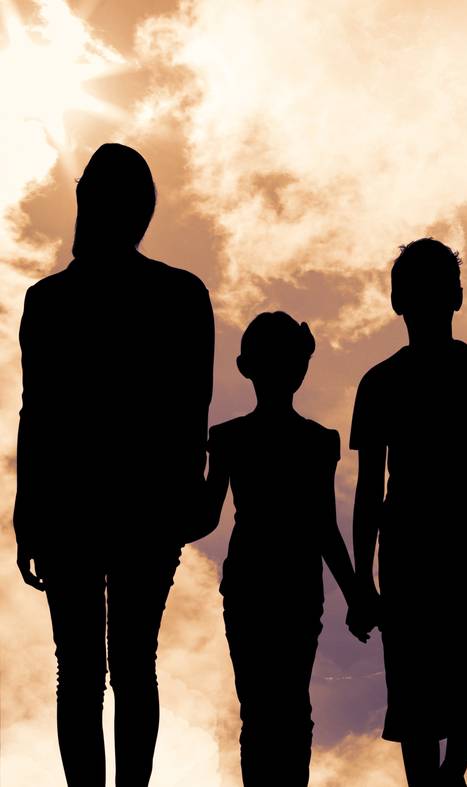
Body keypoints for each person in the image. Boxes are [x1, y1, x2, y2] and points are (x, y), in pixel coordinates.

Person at [12, 143, 214, 787]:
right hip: (136, 504)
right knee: (125, 665)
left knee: (90, 668)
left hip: (90, 503)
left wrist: (29, 511)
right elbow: (191, 409)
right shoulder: (179, 293)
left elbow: (39, 412)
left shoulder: (52, 300)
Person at [351, 238, 467, 786]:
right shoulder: (385, 382)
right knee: (425, 679)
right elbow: (369, 490)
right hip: (421, 547)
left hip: (459, 544)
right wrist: (362, 581)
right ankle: (437, 781)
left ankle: (445, 777)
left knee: (466, 672)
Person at [191, 312, 378, 785]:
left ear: (244, 366)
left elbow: (208, 517)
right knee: (287, 706)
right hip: (285, 582)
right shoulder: (314, 441)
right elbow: (324, 528)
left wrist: (357, 592)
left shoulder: (234, 437)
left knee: (262, 708)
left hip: (259, 581)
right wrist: (356, 591)